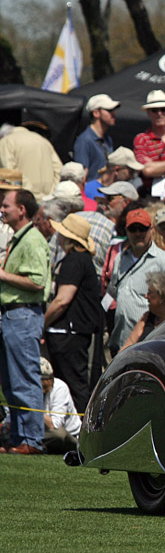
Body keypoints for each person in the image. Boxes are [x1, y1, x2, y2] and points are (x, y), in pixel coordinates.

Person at [0, 186, 50, 454]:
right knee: (10, 381)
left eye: (6, 205)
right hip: (13, 315)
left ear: (22, 210)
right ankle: (19, 437)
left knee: (24, 379)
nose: (2, 209)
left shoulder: (32, 240)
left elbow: (37, 282)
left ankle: (31, 440)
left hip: (23, 314)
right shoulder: (20, 238)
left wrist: (3, 275)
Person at [45, 213, 105, 412]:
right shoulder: (83, 260)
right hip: (75, 332)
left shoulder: (74, 261)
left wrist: (41, 324)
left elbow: (63, 299)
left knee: (73, 385)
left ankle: (80, 429)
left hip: (69, 334)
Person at [106, 208, 165, 354]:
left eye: (142, 229)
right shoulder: (120, 259)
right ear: (126, 231)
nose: (138, 234)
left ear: (151, 230)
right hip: (119, 340)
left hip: (148, 345)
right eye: (133, 229)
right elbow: (114, 293)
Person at [119, 271, 165, 352]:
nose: (146, 296)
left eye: (150, 292)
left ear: (162, 297)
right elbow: (128, 345)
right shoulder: (147, 317)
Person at [0, 121, 61, 199]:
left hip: (24, 198)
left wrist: (28, 190)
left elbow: (9, 172)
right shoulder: (43, 141)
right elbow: (58, 169)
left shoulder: (5, 142)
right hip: (48, 197)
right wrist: (52, 191)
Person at [39, 357, 82, 455]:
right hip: (40, 432)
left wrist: (33, 407)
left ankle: (33, 444)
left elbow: (55, 425)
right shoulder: (26, 389)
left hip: (69, 435)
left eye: (45, 386)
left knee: (59, 434)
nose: (42, 391)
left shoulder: (60, 387)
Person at [73, 93, 119, 181]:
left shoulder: (107, 139)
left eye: (114, 110)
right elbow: (82, 176)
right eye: (109, 110)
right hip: (92, 193)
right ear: (96, 113)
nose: (114, 113)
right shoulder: (84, 141)